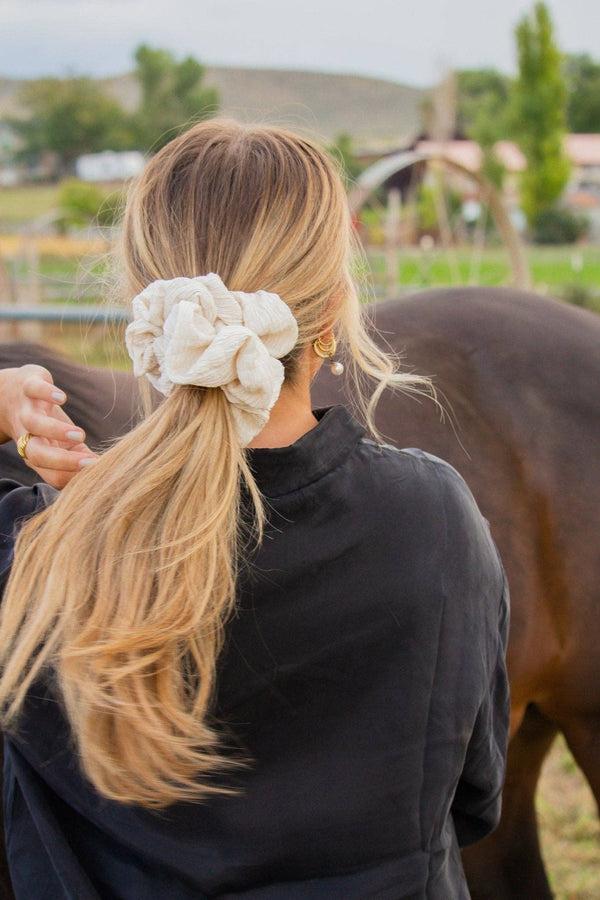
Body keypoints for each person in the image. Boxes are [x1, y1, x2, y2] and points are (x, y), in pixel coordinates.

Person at [0, 120, 509, 899]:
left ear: (146, 312)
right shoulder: (434, 521)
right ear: (334, 310)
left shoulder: (33, 554)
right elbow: (475, 795)